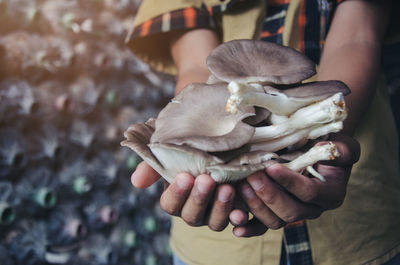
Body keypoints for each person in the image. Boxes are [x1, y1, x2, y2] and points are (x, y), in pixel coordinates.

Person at [126, 0, 400, 264]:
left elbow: (356, 39)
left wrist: (323, 142)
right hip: (221, 252)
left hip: (356, 226)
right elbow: (197, 67)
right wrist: (182, 145)